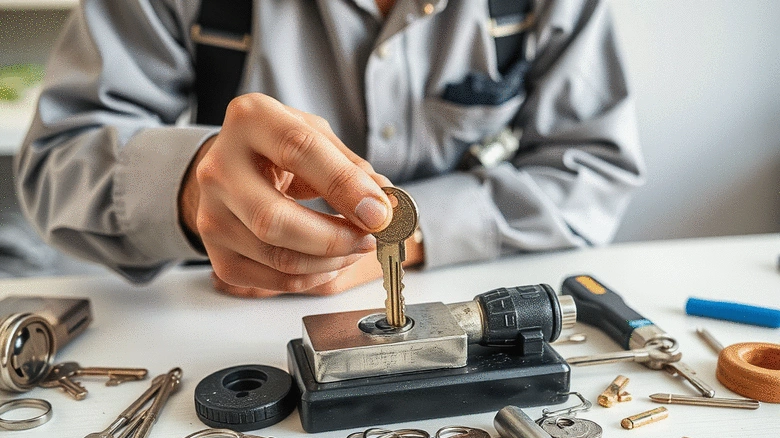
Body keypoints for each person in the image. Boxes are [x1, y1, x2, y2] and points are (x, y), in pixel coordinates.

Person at [14, 0, 644, 298]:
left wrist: (405, 237)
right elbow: (57, 161)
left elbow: (593, 168)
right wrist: (189, 186)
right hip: (223, 317)